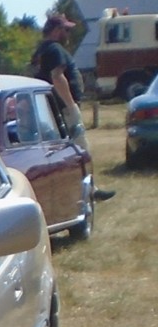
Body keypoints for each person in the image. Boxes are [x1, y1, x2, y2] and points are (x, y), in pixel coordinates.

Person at [32, 14, 115, 199]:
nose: (68, 33)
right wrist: (71, 106)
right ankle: (90, 190)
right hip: (63, 109)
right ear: (56, 30)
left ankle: (71, 190)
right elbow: (57, 77)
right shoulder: (55, 49)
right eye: (66, 29)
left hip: (49, 110)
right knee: (80, 149)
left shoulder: (40, 51)